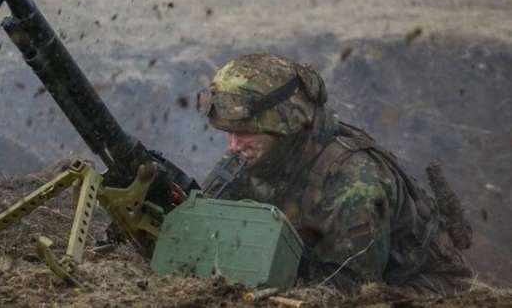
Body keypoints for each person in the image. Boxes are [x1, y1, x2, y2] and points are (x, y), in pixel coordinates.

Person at [196, 53, 474, 294]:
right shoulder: (258, 154)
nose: (233, 145)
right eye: (229, 132)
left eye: (245, 132)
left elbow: (350, 291)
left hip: (421, 288)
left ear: (286, 126)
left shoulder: (354, 183)